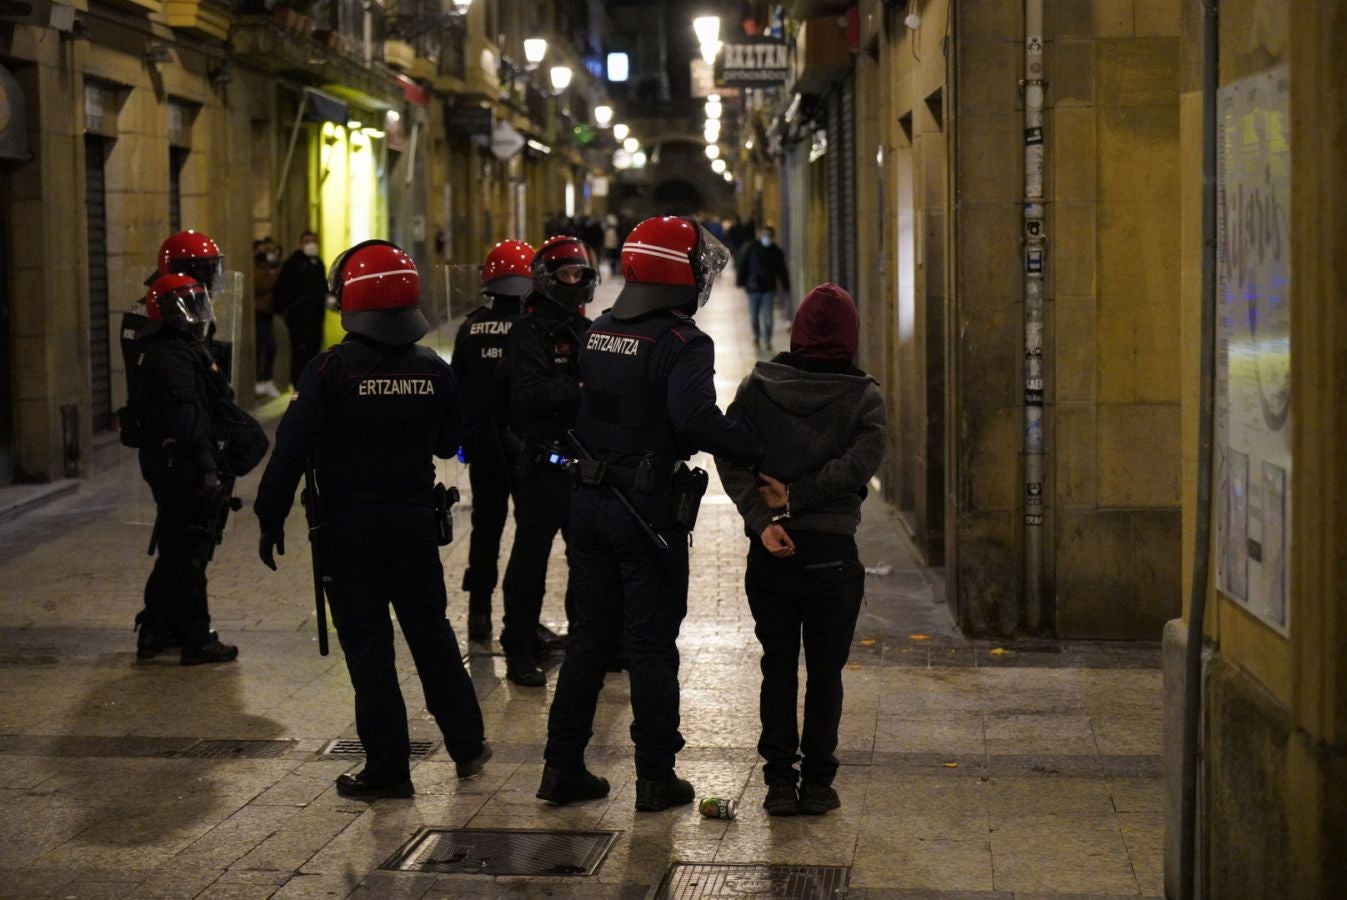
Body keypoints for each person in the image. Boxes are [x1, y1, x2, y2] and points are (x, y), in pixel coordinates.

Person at [538, 216, 763, 812]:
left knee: (589, 637)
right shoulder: (683, 343)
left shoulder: (598, 332)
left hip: (587, 503)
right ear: (672, 272)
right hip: (644, 511)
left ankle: (561, 767)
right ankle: (657, 777)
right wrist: (749, 441)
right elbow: (694, 422)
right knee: (652, 645)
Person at [253, 240, 491, 800]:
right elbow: (450, 442)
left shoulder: (327, 370)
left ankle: (388, 768)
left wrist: (269, 517)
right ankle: (468, 743)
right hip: (412, 523)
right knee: (432, 635)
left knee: (368, 646)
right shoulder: (433, 368)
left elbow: (289, 451)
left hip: (348, 528)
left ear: (350, 299)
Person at [715, 283, 886, 817]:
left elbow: (730, 456)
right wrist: (803, 498)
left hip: (773, 553)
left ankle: (777, 784)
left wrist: (765, 518)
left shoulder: (758, 387)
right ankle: (818, 783)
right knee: (826, 673)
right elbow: (861, 465)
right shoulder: (865, 398)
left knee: (779, 666)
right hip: (832, 552)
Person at [497, 235, 595, 687]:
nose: (575, 283)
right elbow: (531, 395)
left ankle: (588, 642)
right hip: (541, 466)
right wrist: (577, 390)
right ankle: (518, 646)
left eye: (581, 275)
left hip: (581, 465)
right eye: (567, 275)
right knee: (530, 562)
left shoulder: (585, 330)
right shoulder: (528, 332)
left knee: (587, 560)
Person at [130, 273, 239, 665]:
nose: (195, 313)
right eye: (187, 305)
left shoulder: (165, 348)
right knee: (190, 551)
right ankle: (196, 639)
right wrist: (209, 469)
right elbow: (187, 419)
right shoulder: (172, 356)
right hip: (183, 466)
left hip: (169, 462)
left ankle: (155, 628)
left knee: (176, 548)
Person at [451, 239, 534, 641]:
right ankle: (520, 620)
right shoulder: (532, 328)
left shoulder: (470, 328)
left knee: (487, 527)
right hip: (527, 446)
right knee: (529, 530)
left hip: (483, 446)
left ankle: (478, 614)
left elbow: (458, 389)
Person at [274, 230, 329, 388]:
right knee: (300, 351)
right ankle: (298, 383)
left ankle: (312, 382)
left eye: (313, 241)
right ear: (301, 244)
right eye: (307, 241)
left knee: (314, 349)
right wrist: (286, 310)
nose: (310, 244)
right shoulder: (293, 263)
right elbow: (283, 288)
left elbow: (322, 286)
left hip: (316, 316)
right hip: (298, 316)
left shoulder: (318, 263)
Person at [735, 224, 791, 350]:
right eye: (765, 235)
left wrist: (786, 285)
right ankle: (756, 336)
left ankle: (767, 340)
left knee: (768, 319)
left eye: (770, 236)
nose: (767, 238)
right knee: (754, 318)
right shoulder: (752, 248)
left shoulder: (776, 252)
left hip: (768, 290)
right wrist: (740, 281)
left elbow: (782, 270)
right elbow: (743, 265)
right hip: (753, 289)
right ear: (761, 235)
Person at [253, 237, 281, 398]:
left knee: (267, 346)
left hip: (267, 312)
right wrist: (272, 276)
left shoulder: (270, 267)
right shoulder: (257, 266)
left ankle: (265, 379)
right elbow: (261, 285)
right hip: (259, 312)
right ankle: (262, 379)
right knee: (268, 345)